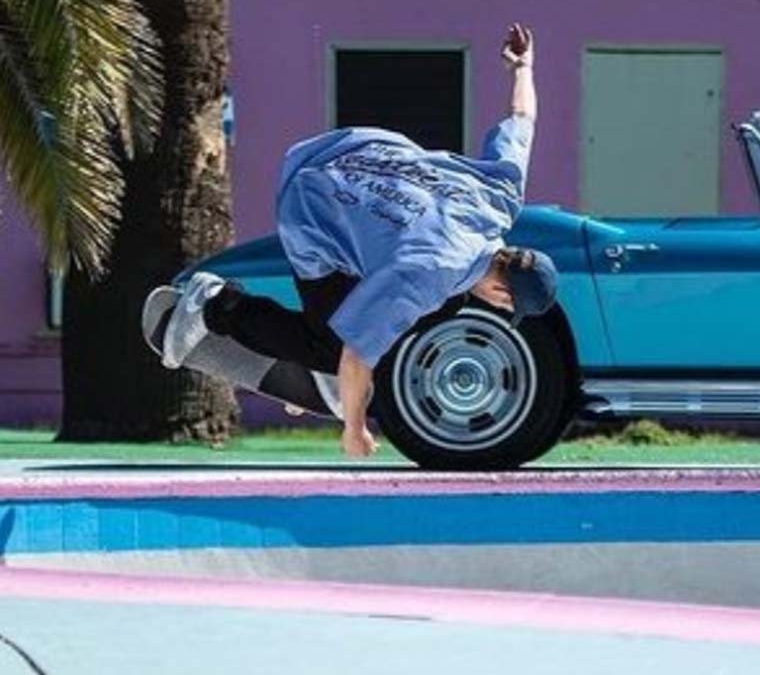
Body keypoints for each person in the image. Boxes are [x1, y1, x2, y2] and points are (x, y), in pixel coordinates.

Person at [160, 23, 557, 458]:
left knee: (445, 301)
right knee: (330, 346)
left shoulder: (500, 197)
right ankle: (215, 304)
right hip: (312, 204)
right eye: (503, 307)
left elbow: (522, 119)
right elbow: (355, 356)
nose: (496, 308)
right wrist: (355, 429)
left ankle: (328, 366)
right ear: (502, 292)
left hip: (356, 150)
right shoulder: (430, 274)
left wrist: (523, 68)